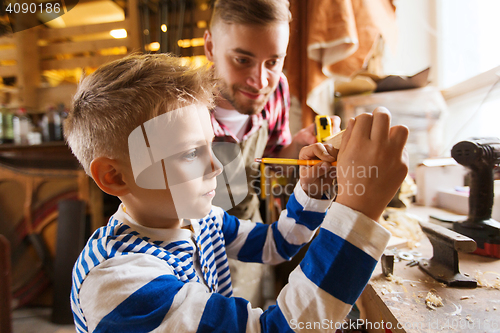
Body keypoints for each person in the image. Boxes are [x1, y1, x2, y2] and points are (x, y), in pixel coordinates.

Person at [66, 53, 409, 332]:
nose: (217, 166)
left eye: (210, 145)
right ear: (114, 176)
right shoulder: (119, 283)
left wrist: (314, 190)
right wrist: (359, 211)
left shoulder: (197, 220)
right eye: (189, 153)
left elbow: (277, 243)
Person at [203, 0, 341, 305]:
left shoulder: (276, 90)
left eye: (274, 62)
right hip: (196, 262)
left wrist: (298, 149)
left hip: (255, 243)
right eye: (242, 60)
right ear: (210, 47)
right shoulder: (183, 111)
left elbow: (270, 169)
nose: (260, 80)